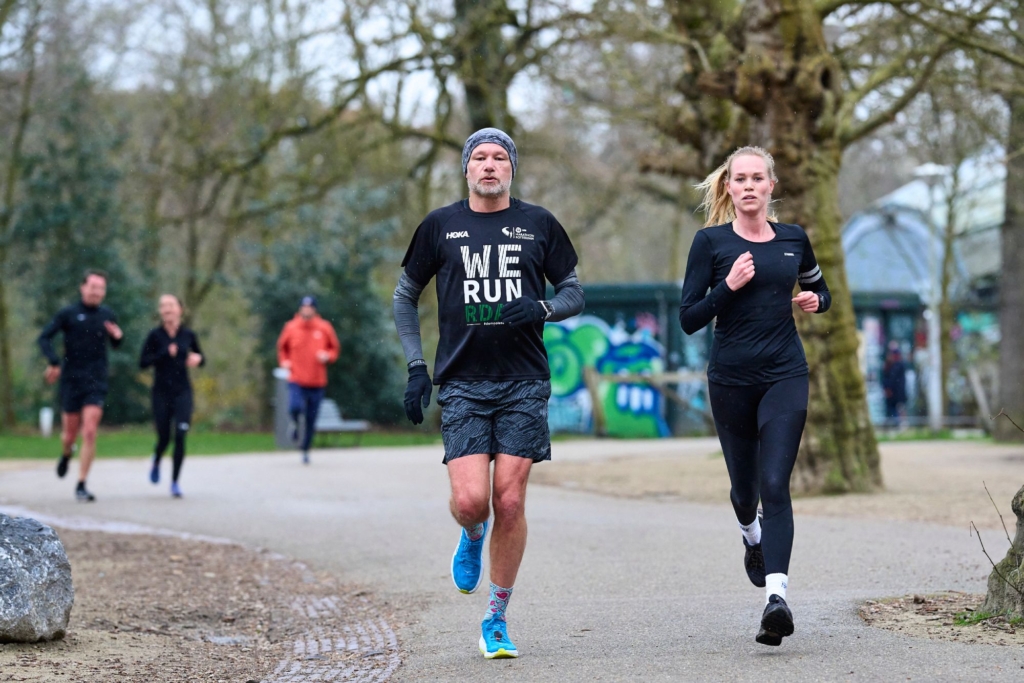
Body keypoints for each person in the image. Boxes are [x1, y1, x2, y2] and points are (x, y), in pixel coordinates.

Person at [392, 128, 584, 659]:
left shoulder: (538, 224)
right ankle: (471, 534)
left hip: (524, 380)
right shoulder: (441, 226)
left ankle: (495, 618)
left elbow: (573, 291)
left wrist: (542, 308)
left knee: (511, 500)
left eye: (500, 157)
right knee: (472, 501)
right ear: (467, 168)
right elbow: (405, 295)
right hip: (462, 382)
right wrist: (416, 366)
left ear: (512, 168)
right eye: (480, 157)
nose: (490, 165)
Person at [679, 146, 832, 646]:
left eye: (756, 178)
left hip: (785, 374)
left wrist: (815, 300)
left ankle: (776, 599)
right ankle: (751, 536)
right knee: (745, 494)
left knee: (774, 484)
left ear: (770, 186)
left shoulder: (793, 239)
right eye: (738, 178)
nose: (747, 186)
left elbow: (820, 289)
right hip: (730, 381)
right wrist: (728, 286)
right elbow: (689, 318)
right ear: (728, 187)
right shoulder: (710, 243)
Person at [38, 269, 124, 502]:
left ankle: (81, 484)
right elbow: (44, 337)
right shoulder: (68, 314)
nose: (97, 292)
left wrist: (117, 336)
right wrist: (54, 362)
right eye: (93, 287)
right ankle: (67, 453)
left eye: (101, 288)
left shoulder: (107, 315)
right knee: (69, 435)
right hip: (71, 380)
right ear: (83, 287)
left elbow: (117, 344)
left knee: (89, 431)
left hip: (96, 380)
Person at [140, 294, 204, 498]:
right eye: (163, 306)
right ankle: (157, 459)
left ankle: (175, 482)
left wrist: (197, 359)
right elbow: (143, 362)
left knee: (181, 434)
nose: (166, 309)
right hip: (161, 393)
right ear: (160, 311)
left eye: (171, 305)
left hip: (183, 391)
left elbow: (201, 358)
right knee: (164, 436)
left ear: (180, 310)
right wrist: (164, 353)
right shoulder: (155, 336)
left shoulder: (188, 335)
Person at [276, 296, 340, 464]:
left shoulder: (324, 327)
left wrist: (328, 356)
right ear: (299, 309)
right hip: (296, 378)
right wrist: (284, 361)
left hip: (317, 381)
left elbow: (334, 349)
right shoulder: (291, 327)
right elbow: (282, 349)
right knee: (295, 406)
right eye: (304, 307)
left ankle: (305, 449)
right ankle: (295, 424)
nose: (307, 309)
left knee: (312, 419)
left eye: (310, 307)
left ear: (314, 309)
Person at [882, 341, 908, 424]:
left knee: (898, 408)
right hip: (894, 393)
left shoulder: (897, 365)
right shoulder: (890, 365)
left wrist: (888, 388)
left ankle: (899, 423)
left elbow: (893, 380)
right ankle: (898, 423)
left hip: (896, 393)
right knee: (895, 408)